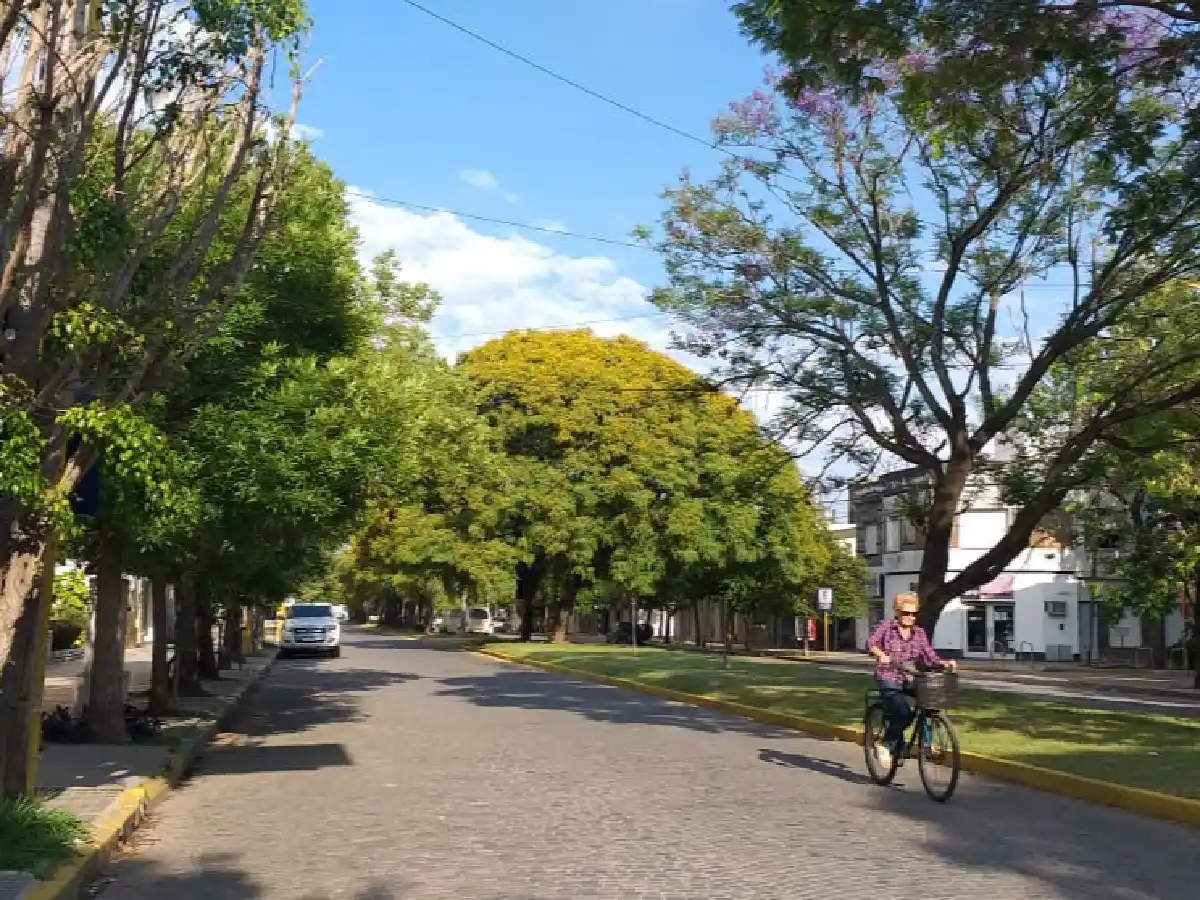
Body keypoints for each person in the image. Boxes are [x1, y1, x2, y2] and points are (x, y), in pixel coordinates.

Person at [866, 592, 956, 769]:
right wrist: (881, 655)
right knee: (903, 712)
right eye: (905, 613)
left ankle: (927, 744)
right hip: (888, 675)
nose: (909, 617)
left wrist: (944, 663)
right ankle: (886, 743)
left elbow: (929, 656)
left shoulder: (919, 633)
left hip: (910, 676)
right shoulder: (887, 627)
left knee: (930, 703)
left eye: (913, 614)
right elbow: (871, 643)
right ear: (897, 612)